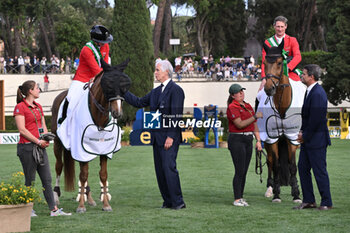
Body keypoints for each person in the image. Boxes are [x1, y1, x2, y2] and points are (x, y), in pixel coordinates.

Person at [124, 60, 186, 210]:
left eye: (158, 70)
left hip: (169, 137)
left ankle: (178, 202)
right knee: (160, 170)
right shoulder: (156, 91)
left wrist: (171, 137)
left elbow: (176, 115)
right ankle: (168, 201)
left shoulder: (176, 90)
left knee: (168, 167)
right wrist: (122, 91)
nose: (155, 72)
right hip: (157, 137)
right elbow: (139, 102)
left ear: (166, 72)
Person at [13, 80, 71, 217]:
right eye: (37, 88)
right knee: (30, 180)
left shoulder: (38, 106)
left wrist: (46, 138)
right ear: (30, 91)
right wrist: (38, 141)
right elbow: (22, 130)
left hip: (40, 147)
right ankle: (28, 210)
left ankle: (54, 210)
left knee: (47, 179)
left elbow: (43, 125)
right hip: (27, 148)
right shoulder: (20, 107)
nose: (39, 90)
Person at [57, 25, 113, 149]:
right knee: (71, 99)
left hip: (99, 78)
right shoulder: (86, 50)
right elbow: (95, 69)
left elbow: (105, 64)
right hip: (82, 79)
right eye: (102, 42)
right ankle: (67, 129)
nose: (104, 44)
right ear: (96, 40)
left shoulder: (106, 46)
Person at [294, 64, 332, 210]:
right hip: (309, 139)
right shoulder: (310, 91)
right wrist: (303, 133)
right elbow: (309, 118)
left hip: (316, 140)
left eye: (303, 74)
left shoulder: (317, 93)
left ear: (311, 76)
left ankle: (326, 202)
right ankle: (309, 200)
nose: (301, 76)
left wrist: (304, 135)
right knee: (303, 168)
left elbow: (316, 119)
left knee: (319, 171)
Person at [226, 84, 263, 207]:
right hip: (237, 139)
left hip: (247, 139)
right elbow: (240, 124)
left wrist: (258, 140)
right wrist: (254, 116)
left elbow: (254, 125)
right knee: (239, 170)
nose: (241, 93)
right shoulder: (232, 107)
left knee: (244, 170)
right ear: (232, 95)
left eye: (242, 91)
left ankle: (240, 197)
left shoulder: (247, 105)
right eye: (238, 92)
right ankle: (237, 198)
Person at [259, 15, 302, 91]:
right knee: (260, 95)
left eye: (282, 27)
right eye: (278, 26)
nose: (280, 29)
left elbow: (298, 56)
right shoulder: (268, 42)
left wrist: (287, 68)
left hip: (289, 72)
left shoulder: (292, 40)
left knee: (301, 90)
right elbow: (264, 61)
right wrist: (263, 77)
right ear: (274, 26)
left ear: (286, 26)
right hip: (272, 74)